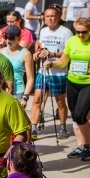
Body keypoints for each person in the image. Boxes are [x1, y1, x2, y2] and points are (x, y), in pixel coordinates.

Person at [45, 17, 90, 163]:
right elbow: (63, 61)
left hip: (88, 83)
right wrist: (51, 64)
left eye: (84, 32)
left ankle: (87, 145)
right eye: (78, 32)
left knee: (81, 115)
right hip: (72, 82)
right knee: (75, 116)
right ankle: (83, 146)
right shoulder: (72, 41)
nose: (81, 35)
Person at [31, 7, 72, 140]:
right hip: (43, 71)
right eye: (47, 16)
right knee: (37, 99)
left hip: (58, 73)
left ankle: (62, 127)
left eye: (53, 16)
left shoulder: (66, 32)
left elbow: (68, 53)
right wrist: (37, 53)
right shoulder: (43, 31)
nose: (50, 18)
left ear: (58, 17)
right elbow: (41, 47)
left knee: (60, 101)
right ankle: (33, 127)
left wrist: (52, 53)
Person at [0, 25, 34, 106]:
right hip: (2, 91)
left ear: (18, 37)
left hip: (18, 92)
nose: (8, 41)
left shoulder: (25, 54)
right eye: (6, 37)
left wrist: (25, 97)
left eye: (11, 38)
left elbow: (30, 78)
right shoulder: (0, 52)